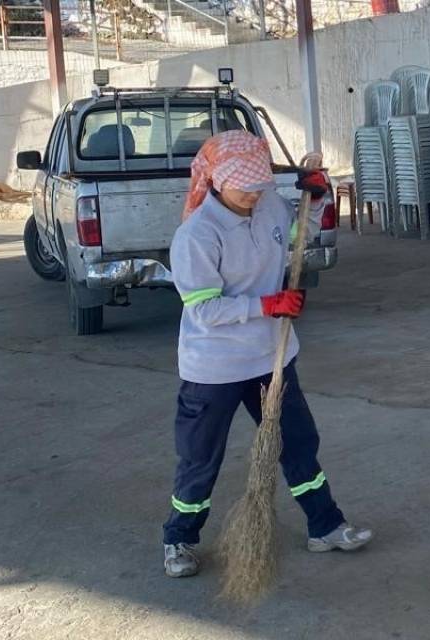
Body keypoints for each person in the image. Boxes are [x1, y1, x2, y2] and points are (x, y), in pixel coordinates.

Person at [161, 131, 372, 578]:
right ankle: (179, 539)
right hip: (214, 367)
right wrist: (266, 305)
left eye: (260, 185)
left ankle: (325, 525)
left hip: (271, 357)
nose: (254, 194)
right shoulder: (197, 235)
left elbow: (299, 237)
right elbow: (204, 307)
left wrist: (313, 202)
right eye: (245, 187)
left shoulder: (269, 203)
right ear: (217, 182)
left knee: (297, 445)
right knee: (201, 457)